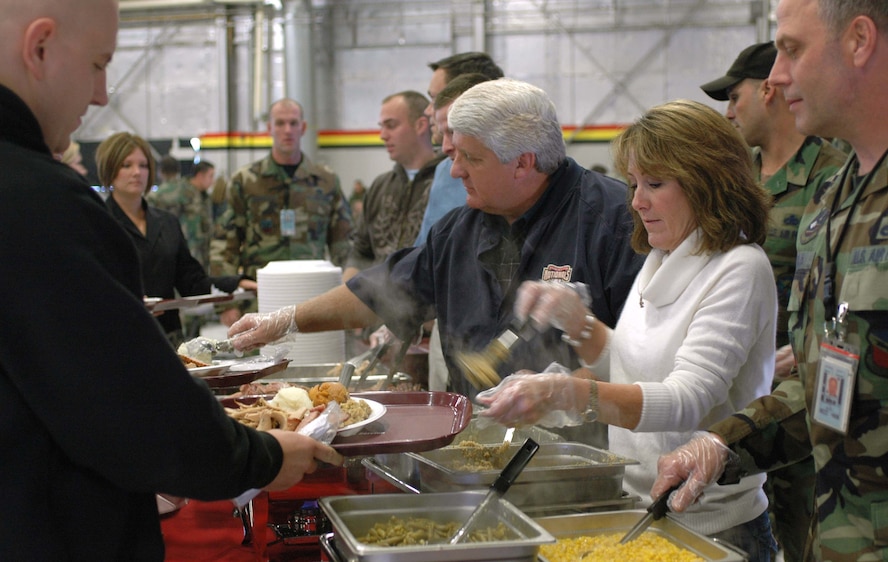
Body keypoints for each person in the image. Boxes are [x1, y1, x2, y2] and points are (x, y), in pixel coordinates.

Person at [0, 1, 342, 559]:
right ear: (39, 48)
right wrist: (264, 457)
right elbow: (133, 413)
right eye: (98, 64)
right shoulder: (42, 203)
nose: (102, 94)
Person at [476, 99, 779, 560]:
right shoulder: (661, 256)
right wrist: (580, 326)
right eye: (635, 183)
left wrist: (566, 393)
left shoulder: (739, 268)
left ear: (707, 181)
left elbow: (685, 399)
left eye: (655, 184)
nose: (636, 201)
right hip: (643, 509)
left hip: (711, 528)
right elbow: (631, 361)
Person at [227, 79, 642, 414]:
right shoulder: (460, 228)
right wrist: (286, 320)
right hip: (476, 439)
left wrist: (563, 394)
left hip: (581, 454)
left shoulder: (614, 222)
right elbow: (383, 291)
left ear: (523, 162)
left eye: (470, 159)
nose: (455, 171)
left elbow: (644, 362)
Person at [652, 1, 888, 560]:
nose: (777, 78)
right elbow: (827, 387)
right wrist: (723, 442)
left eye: (792, 49)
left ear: (859, 40)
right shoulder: (831, 207)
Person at [701, 40, 847, 562]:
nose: (728, 110)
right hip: (745, 400)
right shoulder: (735, 181)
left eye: (734, 95)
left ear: (767, 91)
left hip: (808, 401)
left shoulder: (835, 176)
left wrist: (803, 354)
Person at [97, 132, 257, 348]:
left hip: (167, 339)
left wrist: (234, 282)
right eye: (126, 165)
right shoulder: (96, 223)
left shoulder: (166, 223)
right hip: (117, 337)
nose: (137, 172)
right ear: (110, 169)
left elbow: (191, 282)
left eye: (143, 165)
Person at [211, 98, 354, 326]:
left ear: (303, 128)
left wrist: (350, 298)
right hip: (260, 300)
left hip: (313, 299)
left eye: (293, 123)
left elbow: (343, 245)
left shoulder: (325, 181)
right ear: (269, 128)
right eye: (279, 123)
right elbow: (224, 243)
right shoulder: (246, 181)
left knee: (317, 361)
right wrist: (227, 302)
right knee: (259, 361)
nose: (287, 130)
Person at [342, 90, 443, 281]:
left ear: (420, 125)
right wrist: (349, 286)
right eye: (382, 127)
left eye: (391, 125)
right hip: (380, 303)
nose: (382, 135)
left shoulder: (448, 181)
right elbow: (361, 251)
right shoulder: (380, 186)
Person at [414, 52, 505, 244]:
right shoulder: (443, 172)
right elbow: (423, 255)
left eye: (437, 99)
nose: (429, 110)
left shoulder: (509, 170)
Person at [147, 159, 216, 270]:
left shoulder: (203, 196)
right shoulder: (182, 190)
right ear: (200, 175)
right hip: (185, 252)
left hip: (201, 252)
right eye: (211, 176)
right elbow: (154, 200)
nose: (213, 181)